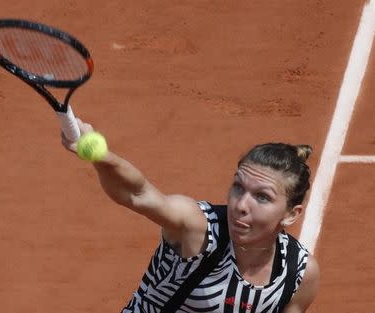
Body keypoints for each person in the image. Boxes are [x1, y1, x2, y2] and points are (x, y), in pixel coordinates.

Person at [61, 119, 320, 313]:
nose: (241, 205)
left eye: (262, 197)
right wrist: (102, 158)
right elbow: (138, 194)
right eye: (238, 187)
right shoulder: (199, 229)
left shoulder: (299, 274)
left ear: (290, 215)